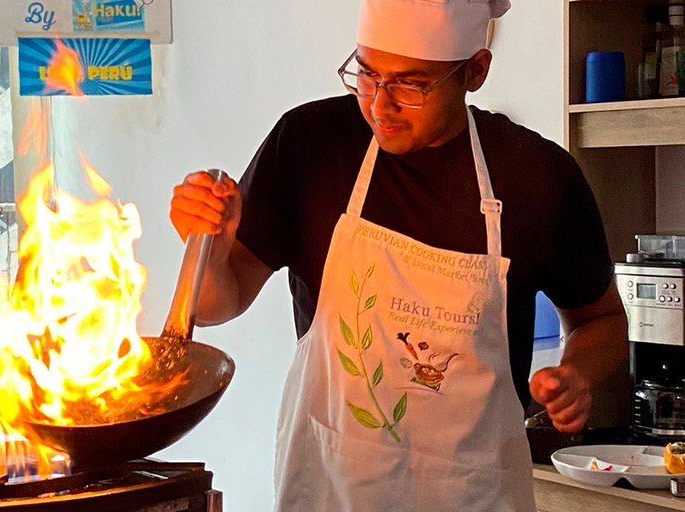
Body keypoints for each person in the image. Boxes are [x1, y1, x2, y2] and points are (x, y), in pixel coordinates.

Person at [168, 0, 629, 510]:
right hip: (330, 491)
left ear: (474, 70)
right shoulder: (310, 146)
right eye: (367, 73)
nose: (379, 105)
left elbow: (602, 321)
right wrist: (209, 246)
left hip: (475, 498)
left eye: (411, 85)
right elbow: (215, 306)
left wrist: (576, 375)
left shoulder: (538, 176)